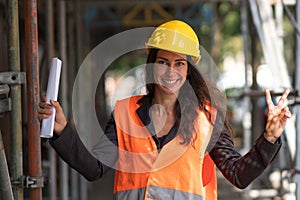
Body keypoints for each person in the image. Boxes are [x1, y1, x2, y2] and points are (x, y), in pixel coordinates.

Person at [38, 20, 292, 200]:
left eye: (179, 64)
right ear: (152, 65)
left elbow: (238, 175)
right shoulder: (125, 112)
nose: (170, 72)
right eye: (163, 62)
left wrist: (269, 137)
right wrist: (62, 131)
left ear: (188, 70)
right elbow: (94, 168)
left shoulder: (207, 119)